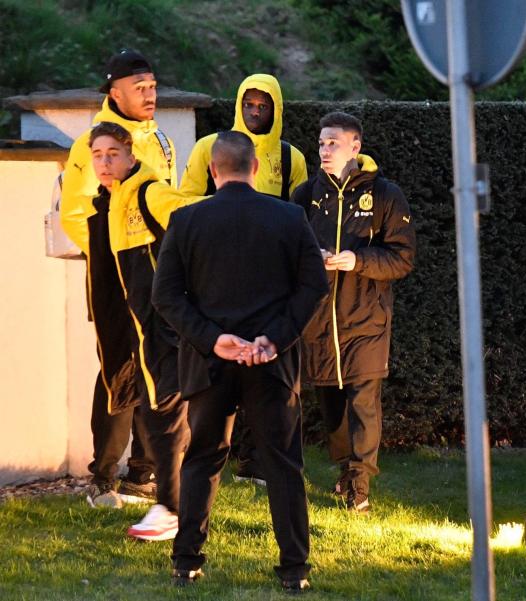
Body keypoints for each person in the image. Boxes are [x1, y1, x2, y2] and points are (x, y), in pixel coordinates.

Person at [153, 131, 327, 591]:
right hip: (271, 363)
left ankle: (186, 561)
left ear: (213, 171)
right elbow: (313, 286)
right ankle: (295, 571)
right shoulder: (290, 217)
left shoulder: (186, 220)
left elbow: (165, 295)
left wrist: (214, 340)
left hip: (210, 364)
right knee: (282, 463)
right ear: (254, 169)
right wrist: (274, 338)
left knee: (202, 460)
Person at [60, 121, 199, 541]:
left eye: (112, 155)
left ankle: (173, 508)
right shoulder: (109, 201)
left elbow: (191, 219)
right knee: (147, 405)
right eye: (97, 156)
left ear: (130, 155)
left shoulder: (147, 190)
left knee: (167, 413)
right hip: (137, 325)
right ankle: (168, 503)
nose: (104, 163)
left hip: (162, 325)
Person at [60, 49, 177, 508]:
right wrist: (115, 257)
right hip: (116, 278)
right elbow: (74, 214)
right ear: (115, 92)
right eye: (139, 88)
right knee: (117, 369)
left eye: (152, 86)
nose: (150, 95)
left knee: (156, 368)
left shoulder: (160, 139)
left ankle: (143, 475)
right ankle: (102, 476)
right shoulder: (93, 142)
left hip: (155, 276)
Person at [180, 73, 309, 484]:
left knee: (267, 366)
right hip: (217, 272)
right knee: (219, 370)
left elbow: (299, 216)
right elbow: (185, 203)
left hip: (271, 279)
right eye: (249, 104)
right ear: (238, 104)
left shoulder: (292, 158)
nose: (255, 111)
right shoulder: (209, 148)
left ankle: (255, 463)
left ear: (276, 109)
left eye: (263, 105)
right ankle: (211, 460)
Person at [291, 111, 415, 514]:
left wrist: (355, 260)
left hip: (366, 319)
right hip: (320, 321)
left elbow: (402, 258)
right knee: (332, 405)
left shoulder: (384, 194)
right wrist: (316, 260)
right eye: (321, 143)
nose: (324, 150)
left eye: (333, 143)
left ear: (355, 146)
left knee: (364, 400)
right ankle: (346, 469)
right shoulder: (305, 194)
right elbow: (289, 253)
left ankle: (361, 485)